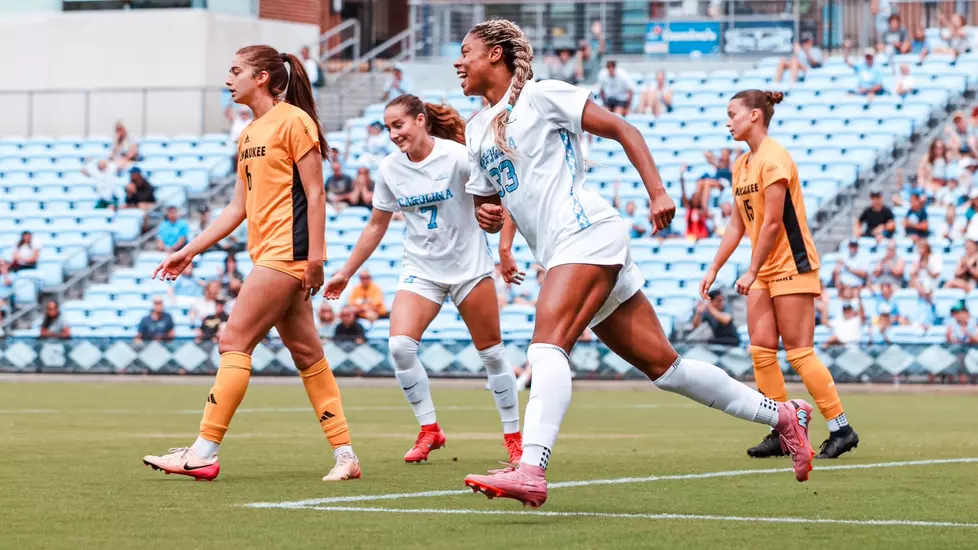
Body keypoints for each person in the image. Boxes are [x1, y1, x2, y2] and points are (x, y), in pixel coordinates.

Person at [454, 20, 815, 509]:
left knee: (545, 348)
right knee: (667, 369)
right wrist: (490, 216)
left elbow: (624, 128)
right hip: (564, 249)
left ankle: (532, 469)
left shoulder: (542, 95)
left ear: (496, 55)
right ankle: (784, 416)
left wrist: (659, 192)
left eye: (466, 51)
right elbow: (488, 209)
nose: (459, 62)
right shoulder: (475, 129)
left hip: (587, 232)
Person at [142, 44, 360, 483]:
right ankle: (346, 455)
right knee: (307, 355)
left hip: (288, 254)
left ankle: (203, 451)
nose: (228, 79)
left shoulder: (295, 121)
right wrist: (189, 250)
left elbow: (316, 194)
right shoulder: (249, 133)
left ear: (262, 77)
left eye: (235, 70)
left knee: (234, 339)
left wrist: (315, 259)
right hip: (271, 254)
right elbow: (236, 208)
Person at [325, 94, 522, 464]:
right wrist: (344, 273)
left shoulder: (458, 157)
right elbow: (375, 226)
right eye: (387, 129)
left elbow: (500, 200)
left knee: (492, 355)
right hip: (421, 270)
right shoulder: (388, 170)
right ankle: (429, 429)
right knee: (400, 346)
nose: (393, 134)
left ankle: (514, 438)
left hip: (469, 268)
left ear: (420, 120)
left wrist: (503, 244)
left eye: (398, 125)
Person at [701, 90, 859, 462]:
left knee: (800, 352)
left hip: (792, 265)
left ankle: (841, 428)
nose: (728, 122)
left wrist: (751, 269)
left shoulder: (774, 158)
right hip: (764, 270)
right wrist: (714, 268)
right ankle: (781, 427)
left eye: (732, 114)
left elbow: (773, 222)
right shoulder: (741, 165)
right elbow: (736, 224)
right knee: (761, 350)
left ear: (754, 115)